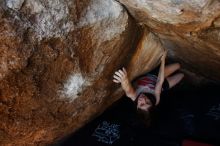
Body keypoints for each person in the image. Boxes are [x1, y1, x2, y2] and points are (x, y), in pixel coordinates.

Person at [113, 51, 184, 126]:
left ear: (137, 107)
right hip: (159, 82)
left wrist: (124, 79)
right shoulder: (155, 100)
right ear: (152, 103)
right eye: (148, 102)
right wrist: (163, 60)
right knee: (181, 74)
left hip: (152, 75)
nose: (144, 99)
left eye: (142, 104)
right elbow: (160, 81)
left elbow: (128, 89)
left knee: (178, 66)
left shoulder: (134, 96)